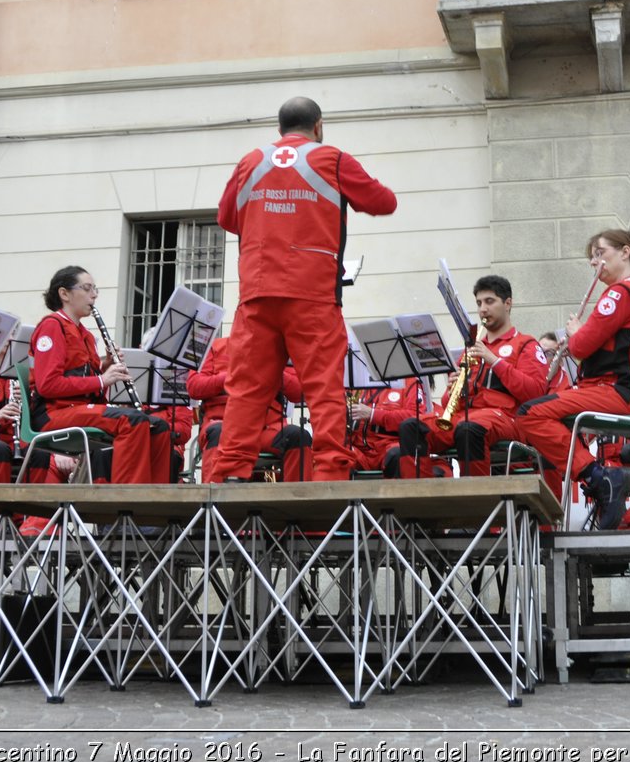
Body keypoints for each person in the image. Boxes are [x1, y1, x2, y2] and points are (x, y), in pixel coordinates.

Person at [215, 97, 397, 481]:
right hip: (312, 294)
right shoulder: (331, 159)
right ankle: (330, 473)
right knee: (323, 388)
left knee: (246, 391)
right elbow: (383, 202)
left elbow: (227, 218)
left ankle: (227, 475)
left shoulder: (250, 161)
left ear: (280, 129)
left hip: (257, 292)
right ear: (318, 126)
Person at [509, 229, 630, 529]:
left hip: (622, 391)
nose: (594, 262)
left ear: (625, 252)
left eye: (600, 253)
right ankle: (599, 478)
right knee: (547, 415)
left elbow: (579, 347)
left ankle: (598, 477)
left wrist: (576, 330)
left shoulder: (620, 293)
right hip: (625, 389)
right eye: (592, 257)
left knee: (530, 414)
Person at [30, 267, 171, 484]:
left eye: (95, 289)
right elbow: (48, 385)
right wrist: (102, 379)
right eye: (87, 289)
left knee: (159, 427)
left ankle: (154, 499)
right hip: (54, 412)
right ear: (64, 294)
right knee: (129, 420)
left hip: (77, 409)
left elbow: (85, 380)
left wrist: (105, 366)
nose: (93, 294)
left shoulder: (85, 335)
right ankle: (126, 498)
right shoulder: (52, 326)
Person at [398, 275, 549, 478]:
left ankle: (478, 500)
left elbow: (535, 393)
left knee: (469, 429)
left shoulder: (525, 344)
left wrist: (495, 361)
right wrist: (453, 388)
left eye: (489, 301)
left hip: (505, 417)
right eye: (479, 303)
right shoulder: (472, 349)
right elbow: (447, 402)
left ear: (508, 303)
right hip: (466, 416)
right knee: (412, 427)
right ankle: (420, 498)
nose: (482, 309)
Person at [189, 336, 310, 482]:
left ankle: (296, 501)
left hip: (266, 429)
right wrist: (231, 376)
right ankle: (214, 501)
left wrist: (273, 373)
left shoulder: (278, 349)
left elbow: (299, 392)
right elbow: (195, 386)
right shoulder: (213, 347)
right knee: (219, 432)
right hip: (224, 424)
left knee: (299, 436)